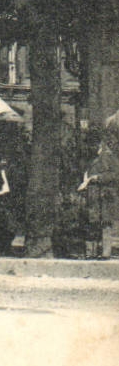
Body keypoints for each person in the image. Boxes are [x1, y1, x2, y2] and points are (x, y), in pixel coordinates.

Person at [78, 111, 119, 260]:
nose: (93, 147)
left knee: (105, 225)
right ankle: (91, 252)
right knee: (92, 224)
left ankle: (105, 252)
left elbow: (115, 175)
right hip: (94, 196)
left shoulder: (108, 157)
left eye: (95, 144)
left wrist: (97, 177)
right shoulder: (91, 159)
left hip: (105, 196)